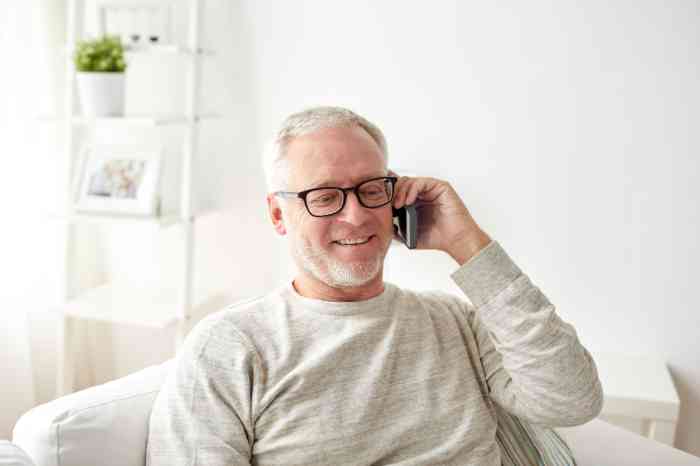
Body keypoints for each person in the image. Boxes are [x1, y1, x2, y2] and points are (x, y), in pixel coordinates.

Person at [146, 106, 603, 466]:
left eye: (372, 189)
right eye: (324, 196)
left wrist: (469, 245)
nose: (357, 215)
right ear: (278, 215)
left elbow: (573, 402)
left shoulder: (454, 321)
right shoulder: (231, 346)